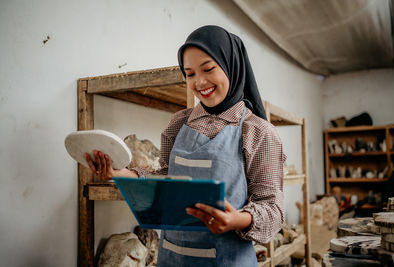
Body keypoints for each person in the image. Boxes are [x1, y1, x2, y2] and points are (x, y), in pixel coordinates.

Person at [86, 25, 285, 267]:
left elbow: (272, 209)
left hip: (227, 260)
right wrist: (120, 174)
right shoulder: (178, 123)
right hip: (172, 258)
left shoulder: (258, 131)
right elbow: (166, 177)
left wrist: (237, 219)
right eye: (189, 74)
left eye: (208, 69)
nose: (199, 82)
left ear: (231, 65)